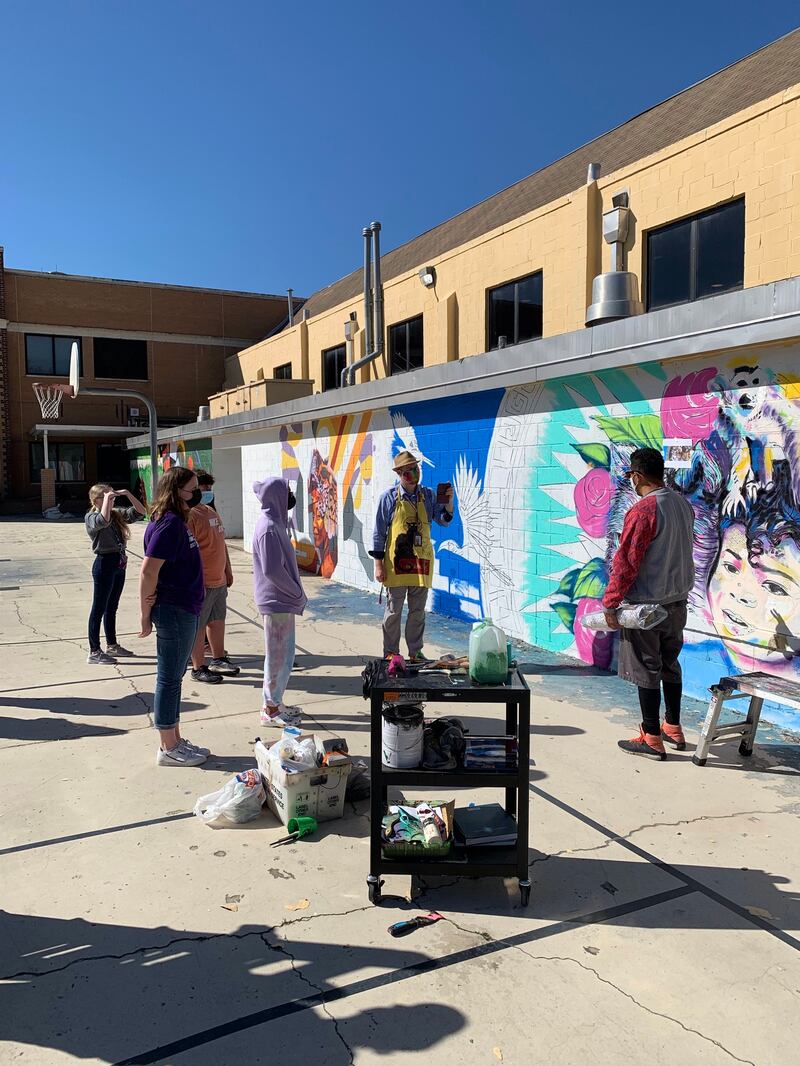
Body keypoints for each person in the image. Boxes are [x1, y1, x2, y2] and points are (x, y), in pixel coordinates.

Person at [602, 447, 695, 760]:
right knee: (670, 664)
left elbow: (626, 562)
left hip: (647, 608)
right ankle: (673, 726)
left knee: (646, 668)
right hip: (677, 603)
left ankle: (651, 736)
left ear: (636, 476)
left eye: (630, 475)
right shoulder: (682, 505)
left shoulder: (643, 510)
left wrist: (611, 603)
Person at [139, 467, 210, 767]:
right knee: (169, 679)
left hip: (184, 607)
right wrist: (145, 615)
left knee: (175, 679)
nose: (198, 493)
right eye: (192, 488)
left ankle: (175, 739)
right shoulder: (167, 524)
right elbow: (148, 571)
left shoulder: (176, 522)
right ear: (176, 491)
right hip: (174, 609)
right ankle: (168, 747)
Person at [371, 449, 454, 661]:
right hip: (396, 564)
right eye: (408, 471)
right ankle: (391, 652)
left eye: (415, 468)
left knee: (418, 612)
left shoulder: (428, 496)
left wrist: (449, 503)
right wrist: (378, 565)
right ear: (399, 473)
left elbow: (443, 520)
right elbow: (379, 533)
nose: (413, 473)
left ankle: (415, 651)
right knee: (393, 612)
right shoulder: (388, 498)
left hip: (422, 563)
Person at [252, 477, 307, 727]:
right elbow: (273, 570)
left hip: (280, 600)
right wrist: (295, 592)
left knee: (283, 655)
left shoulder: (275, 524)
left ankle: (275, 701)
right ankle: (271, 709)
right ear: (277, 496)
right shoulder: (269, 529)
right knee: (278, 656)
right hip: (277, 600)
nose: (291, 496)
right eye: (288, 492)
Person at [85, 484, 147, 664]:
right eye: (105, 497)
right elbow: (102, 520)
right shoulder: (91, 517)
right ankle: (94, 650)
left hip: (119, 562)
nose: (111, 500)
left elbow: (141, 512)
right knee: (99, 608)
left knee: (112, 606)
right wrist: (106, 500)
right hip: (104, 562)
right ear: (95, 500)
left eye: (112, 497)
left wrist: (127, 493)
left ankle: (112, 645)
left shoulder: (116, 513)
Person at [188, 472, 238, 683]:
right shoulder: (189, 516)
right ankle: (199, 666)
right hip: (203, 581)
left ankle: (218, 658)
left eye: (208, 487)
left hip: (218, 580)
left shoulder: (210, 511)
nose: (207, 492)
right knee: (198, 626)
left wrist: (227, 569)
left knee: (217, 621)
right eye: (202, 487)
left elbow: (221, 543)